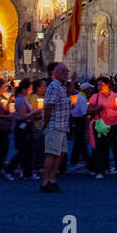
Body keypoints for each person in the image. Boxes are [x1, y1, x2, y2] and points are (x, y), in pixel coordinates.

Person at [87, 77, 117, 179]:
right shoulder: (95, 97)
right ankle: (99, 171)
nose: (99, 87)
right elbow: (89, 110)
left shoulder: (116, 96)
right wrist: (97, 108)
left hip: (114, 124)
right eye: (98, 85)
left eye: (101, 84)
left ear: (108, 85)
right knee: (100, 149)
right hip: (100, 126)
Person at [39, 63, 71, 193]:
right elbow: (48, 106)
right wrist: (45, 123)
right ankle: (45, 182)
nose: (66, 73)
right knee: (51, 154)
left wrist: (72, 82)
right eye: (63, 71)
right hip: (54, 125)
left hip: (62, 126)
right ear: (56, 73)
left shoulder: (62, 87)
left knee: (60, 154)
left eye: (67, 71)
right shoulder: (54, 86)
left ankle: (52, 179)